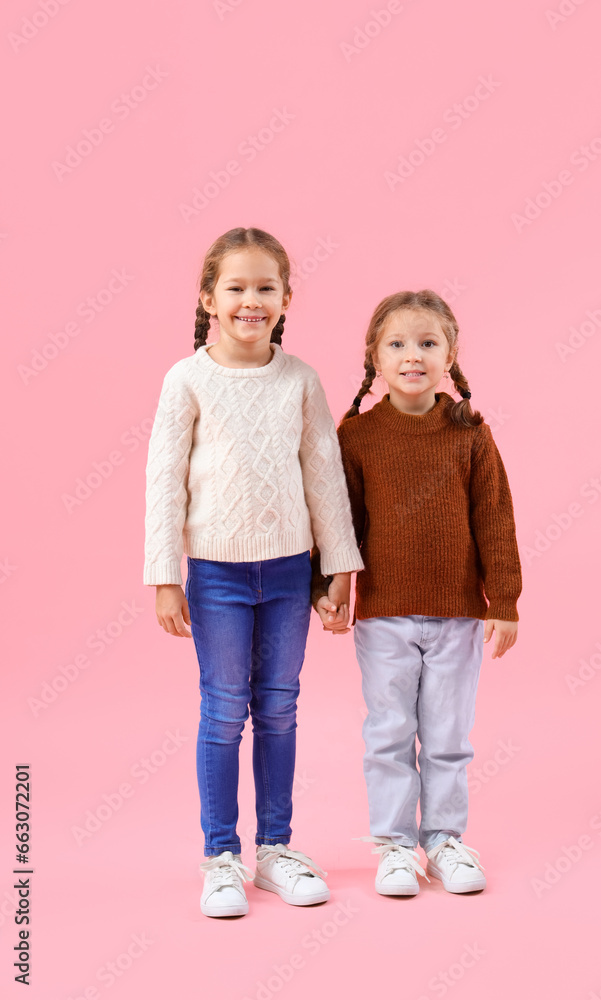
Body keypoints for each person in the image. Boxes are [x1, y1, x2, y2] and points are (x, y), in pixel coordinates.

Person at [143, 227, 364, 917]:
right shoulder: (186, 379)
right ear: (208, 297)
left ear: (286, 298)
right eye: (235, 288)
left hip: (289, 571)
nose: (250, 301)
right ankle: (221, 857)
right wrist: (164, 574)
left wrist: (338, 570)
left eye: (264, 287)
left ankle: (274, 849)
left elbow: (324, 476)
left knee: (278, 707)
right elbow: (164, 480)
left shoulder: (300, 379)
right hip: (215, 575)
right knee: (223, 710)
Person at [311, 290, 522, 897]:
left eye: (428, 343)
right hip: (384, 616)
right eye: (397, 344)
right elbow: (339, 521)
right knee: (388, 731)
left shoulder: (470, 434)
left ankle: (445, 841)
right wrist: (329, 589)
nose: (413, 355)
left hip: (458, 614)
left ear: (450, 354)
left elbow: (495, 518)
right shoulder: (356, 436)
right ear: (374, 356)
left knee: (449, 735)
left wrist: (503, 600)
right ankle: (396, 845)